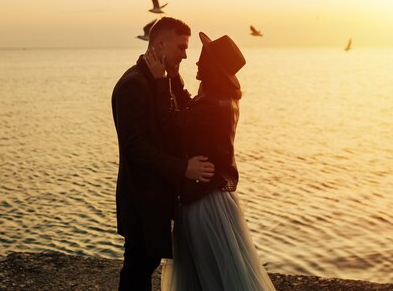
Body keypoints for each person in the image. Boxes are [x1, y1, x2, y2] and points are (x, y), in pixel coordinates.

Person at [144, 31, 276, 291]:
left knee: (207, 274)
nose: (195, 62)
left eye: (202, 57)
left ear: (212, 64)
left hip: (203, 200)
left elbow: (172, 123)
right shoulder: (221, 99)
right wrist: (173, 77)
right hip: (214, 196)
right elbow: (189, 110)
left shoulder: (212, 104)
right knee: (216, 271)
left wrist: (160, 82)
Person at [111, 17, 216, 291]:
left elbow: (186, 113)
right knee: (138, 267)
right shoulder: (133, 85)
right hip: (141, 197)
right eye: (181, 47)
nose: (185, 54)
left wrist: (171, 78)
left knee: (146, 263)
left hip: (156, 195)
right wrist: (184, 168)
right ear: (159, 44)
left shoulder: (160, 81)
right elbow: (135, 147)